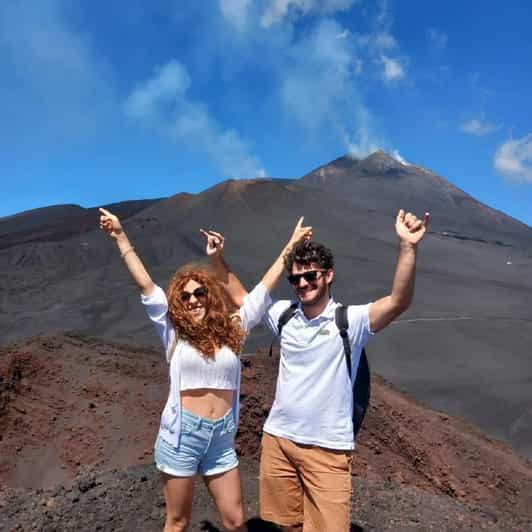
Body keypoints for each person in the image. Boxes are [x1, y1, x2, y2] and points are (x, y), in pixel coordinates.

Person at [98, 207, 311, 532]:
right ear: (178, 303)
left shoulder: (233, 331)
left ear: (209, 297)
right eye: (185, 297)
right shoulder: (172, 331)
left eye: (199, 293)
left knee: (236, 521)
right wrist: (120, 237)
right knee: (178, 522)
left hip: (221, 438)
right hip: (183, 435)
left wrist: (290, 246)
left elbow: (261, 292)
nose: (193, 300)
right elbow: (146, 285)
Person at [216, 209, 430, 532]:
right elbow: (243, 299)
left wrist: (408, 247)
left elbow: (398, 301)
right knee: (280, 526)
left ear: (328, 275)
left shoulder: (350, 321)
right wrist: (217, 259)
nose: (303, 284)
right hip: (278, 441)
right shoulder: (284, 315)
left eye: (311, 276)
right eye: (296, 279)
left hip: (328, 450)